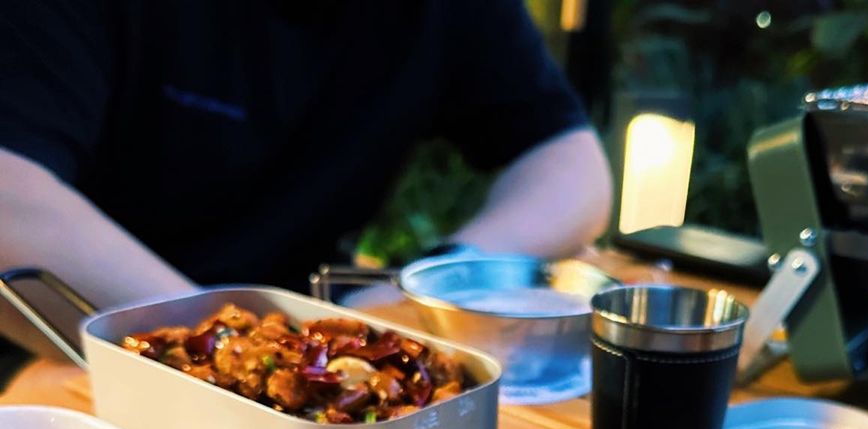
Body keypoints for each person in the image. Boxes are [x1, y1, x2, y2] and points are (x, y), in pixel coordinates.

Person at [0, 0, 612, 380]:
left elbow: (572, 167)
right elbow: (11, 194)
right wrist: (235, 349)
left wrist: (424, 280)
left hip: (307, 357)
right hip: (63, 365)